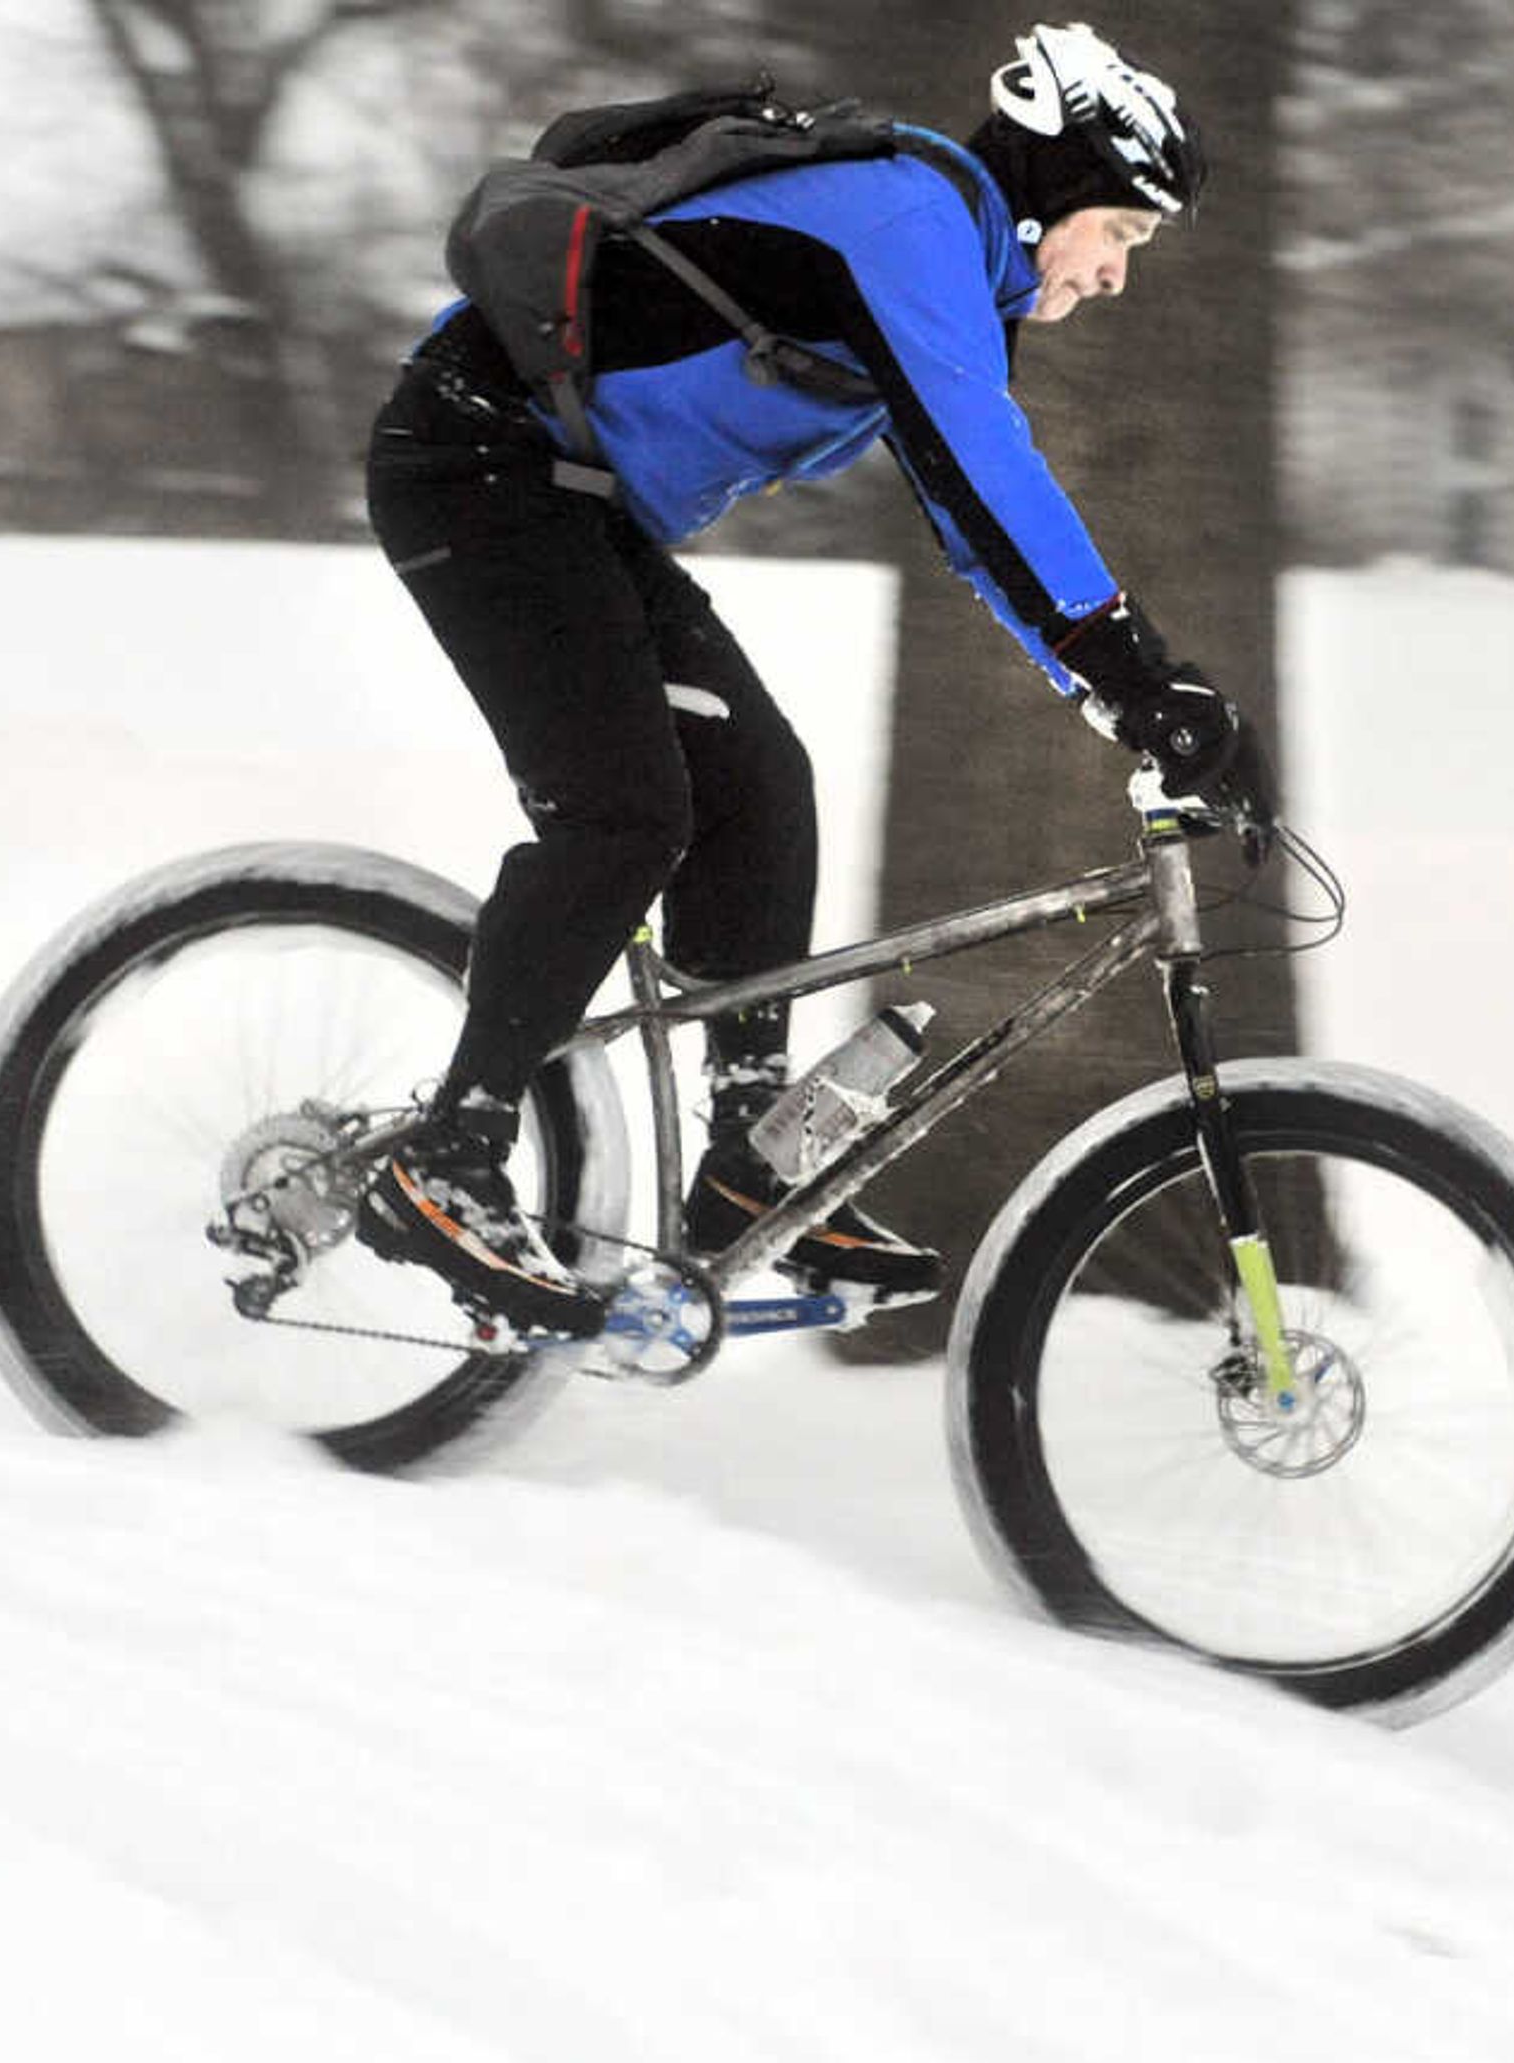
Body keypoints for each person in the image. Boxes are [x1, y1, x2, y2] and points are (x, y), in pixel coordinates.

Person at [356, 21, 1271, 1340]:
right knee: (627, 815)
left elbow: (971, 527)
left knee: (759, 786)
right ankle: (446, 1162)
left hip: (570, 506)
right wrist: (1141, 674)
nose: (1118, 272)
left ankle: (744, 1167)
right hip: (476, 465)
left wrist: (1120, 689)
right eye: (1119, 232)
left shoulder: (944, 267)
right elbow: (990, 479)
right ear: (1057, 189)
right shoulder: (911, 223)